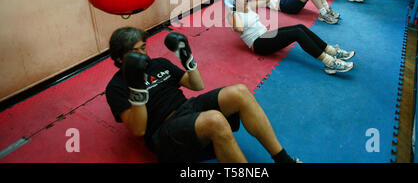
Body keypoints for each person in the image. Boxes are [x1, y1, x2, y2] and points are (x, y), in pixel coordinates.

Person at [105, 27, 301, 163]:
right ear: (120, 57)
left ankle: (283, 159)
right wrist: (137, 86)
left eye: (143, 47)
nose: (143, 55)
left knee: (240, 92)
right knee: (215, 120)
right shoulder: (116, 87)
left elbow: (197, 85)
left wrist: (187, 58)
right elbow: (138, 130)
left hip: (188, 110)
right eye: (135, 51)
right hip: (162, 131)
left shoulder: (159, 64)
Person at [225, 0, 355, 75]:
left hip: (266, 35)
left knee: (300, 27)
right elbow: (240, 29)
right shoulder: (232, 16)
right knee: (297, 34)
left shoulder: (248, 7)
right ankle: (329, 63)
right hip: (258, 44)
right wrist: (233, 10)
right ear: (234, 2)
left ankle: (332, 51)